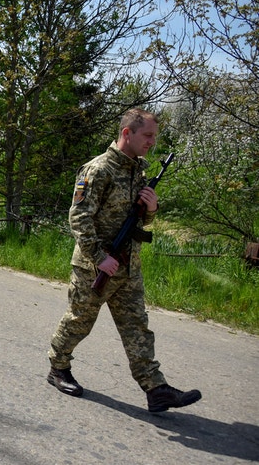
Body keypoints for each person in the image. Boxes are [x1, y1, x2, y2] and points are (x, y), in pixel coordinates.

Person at [47, 108, 202, 413]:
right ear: (127, 133)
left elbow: (140, 222)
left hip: (129, 266)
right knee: (80, 321)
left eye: (154, 136)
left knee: (137, 327)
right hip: (96, 266)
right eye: (147, 135)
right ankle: (57, 368)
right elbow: (79, 217)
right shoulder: (98, 169)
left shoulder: (138, 170)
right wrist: (99, 257)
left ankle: (155, 388)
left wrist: (152, 208)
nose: (152, 142)